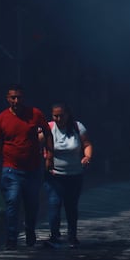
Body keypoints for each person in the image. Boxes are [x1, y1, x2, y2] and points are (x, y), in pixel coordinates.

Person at [0, 85, 52, 250]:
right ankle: (11, 238)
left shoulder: (35, 114)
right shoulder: (1, 118)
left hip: (32, 168)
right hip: (11, 168)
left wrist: (49, 156)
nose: (16, 100)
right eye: (13, 97)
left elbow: (48, 133)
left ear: (23, 98)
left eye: (19, 97)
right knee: (13, 201)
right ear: (7, 98)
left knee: (32, 203)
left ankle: (30, 231)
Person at [45, 103, 93, 248]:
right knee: (54, 204)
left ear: (67, 115)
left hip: (74, 175)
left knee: (71, 206)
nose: (58, 118)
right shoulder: (49, 128)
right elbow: (36, 142)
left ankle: (72, 236)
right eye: (55, 115)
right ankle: (54, 235)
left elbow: (87, 144)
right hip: (54, 175)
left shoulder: (77, 127)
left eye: (61, 115)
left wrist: (87, 157)